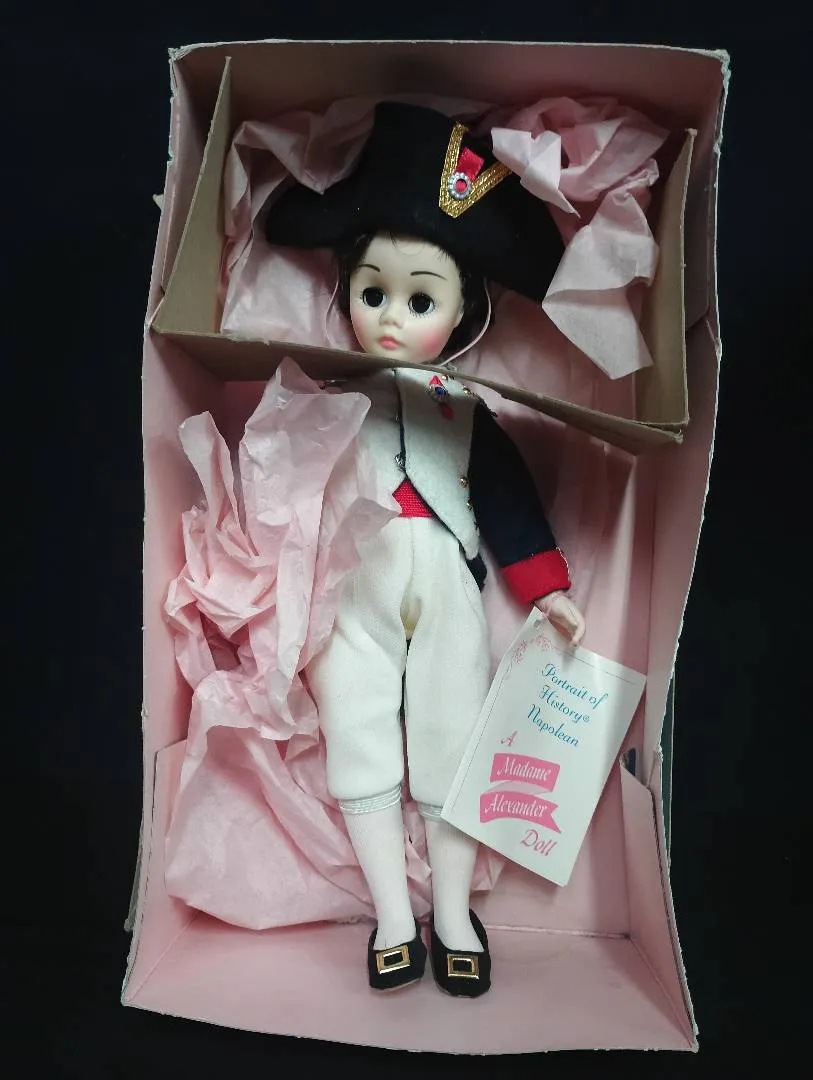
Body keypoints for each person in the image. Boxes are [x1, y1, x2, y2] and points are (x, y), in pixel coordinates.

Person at [265, 103, 586, 996]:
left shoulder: (464, 410)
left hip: (448, 577)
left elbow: (509, 502)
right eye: (373, 294)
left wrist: (545, 586)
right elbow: (291, 492)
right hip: (352, 583)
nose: (391, 318)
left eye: (419, 301)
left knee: (452, 732)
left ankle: (451, 913)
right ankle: (392, 918)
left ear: (461, 311)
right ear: (345, 294)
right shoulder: (328, 397)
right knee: (356, 732)